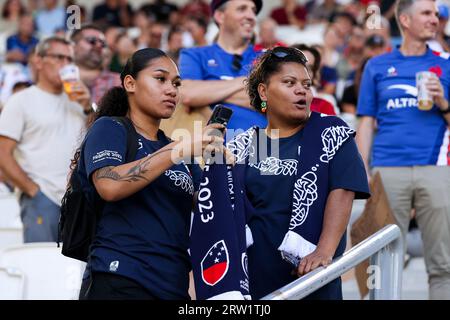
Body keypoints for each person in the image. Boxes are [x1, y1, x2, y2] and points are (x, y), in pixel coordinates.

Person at [77, 48, 228, 300]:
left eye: (177, 84)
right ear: (130, 83)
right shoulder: (111, 128)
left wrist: (223, 166)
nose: (172, 90)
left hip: (173, 285)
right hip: (120, 278)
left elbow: (209, 209)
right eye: (160, 79)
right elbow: (109, 185)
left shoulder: (179, 149)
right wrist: (177, 150)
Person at [227, 46, 370, 299]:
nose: (301, 90)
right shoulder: (243, 144)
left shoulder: (330, 131)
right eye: (289, 82)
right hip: (256, 276)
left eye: (306, 83)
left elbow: (343, 190)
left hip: (312, 276)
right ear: (263, 91)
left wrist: (323, 251)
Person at [356, 0, 450, 300]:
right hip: (387, 168)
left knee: (443, 264)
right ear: (405, 20)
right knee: (381, 260)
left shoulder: (447, 64)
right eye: (427, 13)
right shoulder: (377, 65)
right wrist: (361, 171)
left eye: (436, 14)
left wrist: (444, 104)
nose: (434, 19)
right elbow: (366, 122)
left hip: (436, 168)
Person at [0, 36, 91, 242]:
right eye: (59, 57)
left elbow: (97, 140)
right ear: (38, 61)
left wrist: (88, 106)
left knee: (75, 271)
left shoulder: (78, 101)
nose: (66, 65)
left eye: (70, 60)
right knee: (42, 267)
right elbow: (2, 153)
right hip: (42, 200)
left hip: (77, 201)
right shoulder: (20, 101)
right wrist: (33, 191)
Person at [179, 0, 267, 135]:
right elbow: (188, 94)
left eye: (253, 11)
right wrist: (245, 81)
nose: (251, 16)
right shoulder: (194, 55)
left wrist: (207, 94)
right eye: (242, 9)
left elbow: (270, 103)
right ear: (220, 16)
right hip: (211, 150)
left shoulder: (268, 58)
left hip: (262, 148)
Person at [71, 24, 121, 106]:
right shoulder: (57, 79)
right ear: (73, 47)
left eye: (103, 43)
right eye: (92, 41)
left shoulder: (118, 82)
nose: (99, 45)